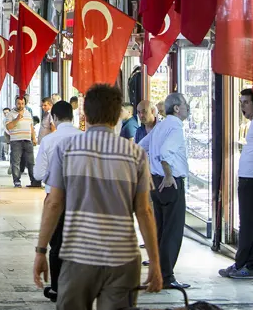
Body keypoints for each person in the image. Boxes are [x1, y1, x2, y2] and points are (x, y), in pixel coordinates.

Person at [33, 84, 162, 309]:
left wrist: (41, 251)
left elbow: (53, 203)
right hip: (122, 260)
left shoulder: (67, 149)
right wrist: (155, 262)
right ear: (117, 115)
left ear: (85, 114)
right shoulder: (136, 154)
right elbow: (144, 211)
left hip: (78, 257)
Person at [138, 92, 191, 290]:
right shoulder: (175, 126)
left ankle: (157, 273)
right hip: (170, 183)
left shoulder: (160, 126)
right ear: (177, 108)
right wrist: (168, 175)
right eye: (185, 105)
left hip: (155, 182)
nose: (187, 108)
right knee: (172, 232)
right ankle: (166, 276)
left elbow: (141, 146)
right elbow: (165, 153)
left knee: (161, 230)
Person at [31, 101, 83, 302]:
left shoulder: (49, 140)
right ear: (72, 116)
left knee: (57, 243)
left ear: (53, 117)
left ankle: (57, 288)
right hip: (82, 199)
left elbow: (38, 173)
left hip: (55, 197)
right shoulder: (84, 137)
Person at [219, 88, 253, 280]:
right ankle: (247, 263)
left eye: (246, 102)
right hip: (250, 178)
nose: (242, 106)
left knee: (247, 222)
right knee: (249, 221)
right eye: (241, 102)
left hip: (252, 179)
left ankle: (245, 264)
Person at [7, 96, 39, 188]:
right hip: (16, 141)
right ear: (15, 103)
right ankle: (17, 181)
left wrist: (34, 138)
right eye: (19, 103)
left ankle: (34, 181)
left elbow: (31, 127)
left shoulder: (28, 113)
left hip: (27, 140)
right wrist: (17, 118)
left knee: (31, 162)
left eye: (22, 103)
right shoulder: (10, 114)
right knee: (16, 162)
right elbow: (9, 126)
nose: (21, 105)